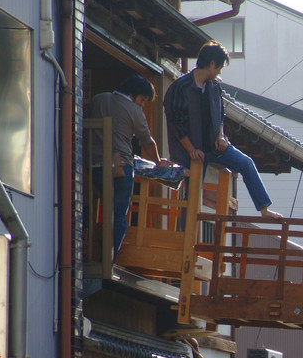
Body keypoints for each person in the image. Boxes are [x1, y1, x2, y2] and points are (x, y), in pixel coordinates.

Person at [163, 41, 282, 219]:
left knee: (246, 163)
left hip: (215, 147)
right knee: (192, 197)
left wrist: (221, 136)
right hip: (192, 153)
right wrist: (191, 150)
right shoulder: (180, 87)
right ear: (212, 64)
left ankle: (264, 210)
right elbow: (175, 123)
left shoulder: (214, 87)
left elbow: (220, 115)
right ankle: (185, 235)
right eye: (219, 68)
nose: (219, 72)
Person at [87, 76, 170, 258]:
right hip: (120, 168)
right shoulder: (134, 111)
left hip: (93, 166)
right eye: (143, 100)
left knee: (93, 210)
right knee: (118, 217)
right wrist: (158, 161)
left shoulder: (99, 99)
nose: (143, 105)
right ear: (132, 95)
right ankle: (107, 260)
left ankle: (90, 251)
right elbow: (147, 142)